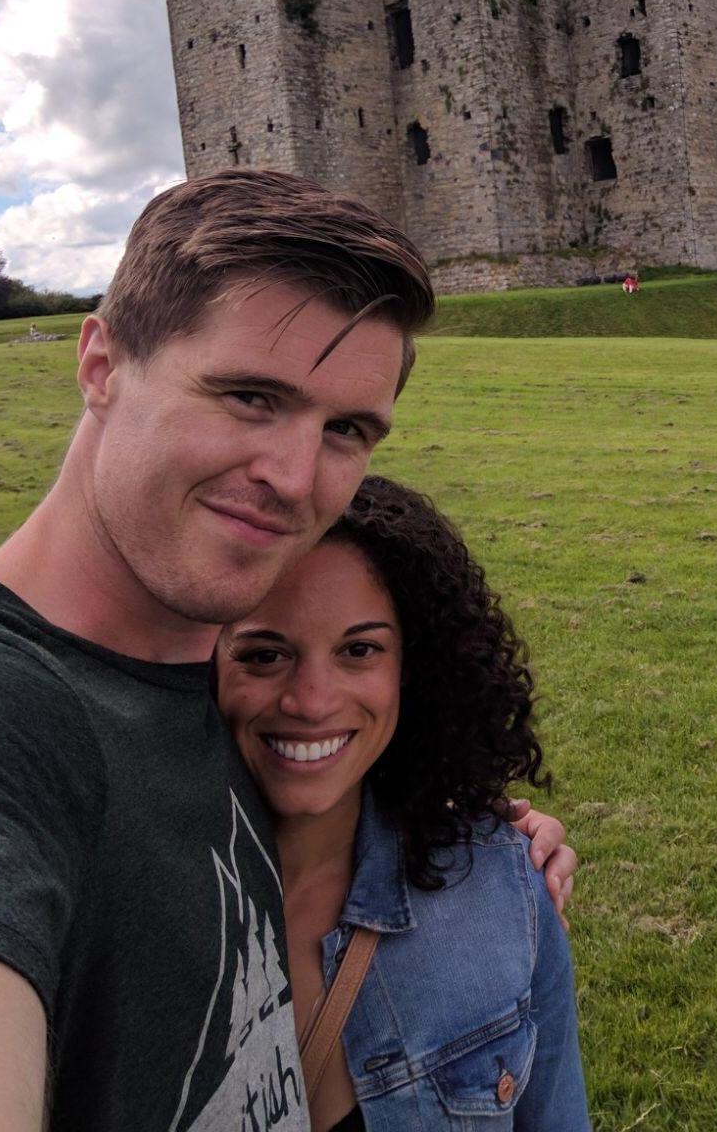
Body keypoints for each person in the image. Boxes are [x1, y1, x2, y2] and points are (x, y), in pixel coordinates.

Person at [0, 169, 576, 1132]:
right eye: (251, 396)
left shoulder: (204, 676)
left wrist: (477, 840)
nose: (296, 481)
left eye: (347, 429)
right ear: (101, 363)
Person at [216, 477, 589, 1130]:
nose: (313, 700)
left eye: (359, 650)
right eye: (264, 654)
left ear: (411, 668)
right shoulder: (112, 910)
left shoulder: (503, 892)